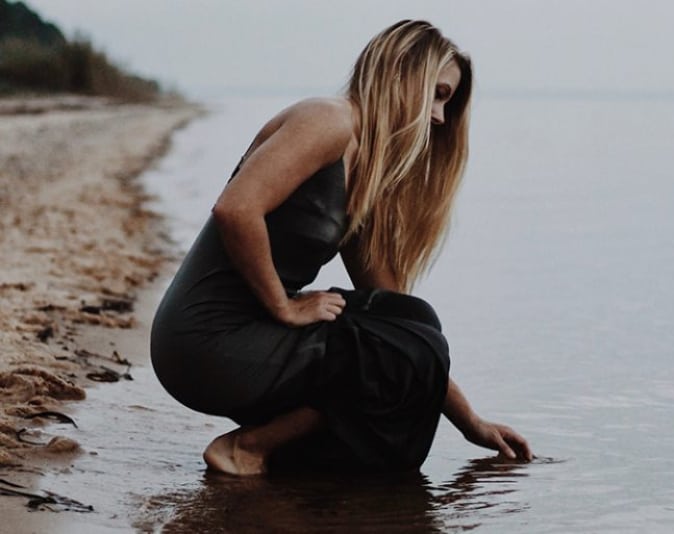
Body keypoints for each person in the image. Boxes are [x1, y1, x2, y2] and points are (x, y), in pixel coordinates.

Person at [150, 19, 532, 476]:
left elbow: (402, 325)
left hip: (252, 338)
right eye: (438, 95)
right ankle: (247, 447)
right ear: (399, 74)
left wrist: (470, 422)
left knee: (413, 320)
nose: (438, 117)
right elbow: (236, 209)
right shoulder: (329, 120)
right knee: (395, 346)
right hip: (203, 341)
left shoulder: (365, 172)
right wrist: (284, 307)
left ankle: (292, 463)